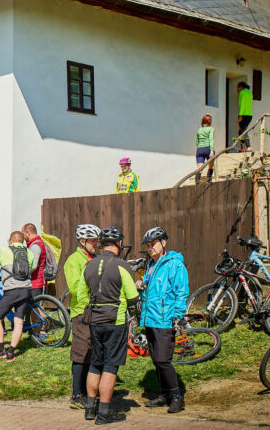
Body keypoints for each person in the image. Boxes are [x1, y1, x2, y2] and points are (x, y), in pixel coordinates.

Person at [80, 226, 139, 424]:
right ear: (119, 243)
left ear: (100, 244)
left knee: (95, 363)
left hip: (95, 321)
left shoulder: (88, 266)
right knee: (110, 365)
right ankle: (104, 413)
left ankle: (90, 408)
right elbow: (132, 297)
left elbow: (81, 295)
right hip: (115, 320)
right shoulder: (122, 265)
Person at [137, 227, 189, 414]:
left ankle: (176, 397)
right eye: (148, 245)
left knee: (163, 360)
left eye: (153, 244)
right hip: (150, 318)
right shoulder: (151, 265)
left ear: (163, 243)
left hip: (165, 319)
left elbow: (181, 292)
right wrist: (141, 287)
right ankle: (164, 394)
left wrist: (178, 315)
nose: (150, 248)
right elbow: (151, 291)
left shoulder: (174, 264)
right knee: (155, 359)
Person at [0, 230, 33, 363]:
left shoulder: (4, 250)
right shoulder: (29, 252)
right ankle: (11, 352)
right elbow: (30, 269)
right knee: (19, 320)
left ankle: (1, 349)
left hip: (12, 290)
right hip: (26, 289)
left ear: (11, 240)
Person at [64, 223, 102, 409]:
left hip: (98, 312)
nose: (96, 243)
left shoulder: (96, 258)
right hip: (81, 312)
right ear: (82, 241)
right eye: (93, 240)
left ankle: (90, 391)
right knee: (80, 353)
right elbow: (74, 287)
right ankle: (77, 394)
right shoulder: (73, 260)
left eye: (97, 239)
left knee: (94, 353)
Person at [21, 223, 47, 297]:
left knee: (34, 307)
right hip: (36, 282)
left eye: (23, 234)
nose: (22, 237)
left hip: (36, 283)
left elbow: (33, 266)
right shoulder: (37, 243)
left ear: (28, 233)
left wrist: (21, 274)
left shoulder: (35, 246)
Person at [195, 114, 215, 183]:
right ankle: (208, 181)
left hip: (199, 150)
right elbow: (211, 139)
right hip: (207, 149)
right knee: (210, 166)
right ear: (210, 121)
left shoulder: (199, 130)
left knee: (199, 169)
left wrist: (199, 146)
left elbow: (197, 142)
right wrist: (212, 150)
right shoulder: (211, 129)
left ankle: (196, 185)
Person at [237, 81, 253, 151]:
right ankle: (242, 148)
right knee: (241, 132)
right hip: (250, 115)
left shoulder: (242, 93)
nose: (237, 90)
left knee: (243, 130)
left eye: (237, 88)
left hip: (244, 114)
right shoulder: (250, 93)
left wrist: (241, 115)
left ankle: (248, 146)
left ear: (241, 87)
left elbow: (242, 104)